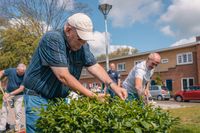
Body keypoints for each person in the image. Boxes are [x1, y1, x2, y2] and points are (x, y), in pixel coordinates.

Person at [23, 13, 127, 133]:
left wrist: (113, 86)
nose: (82, 43)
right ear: (68, 30)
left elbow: (94, 66)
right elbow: (63, 76)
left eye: (85, 40)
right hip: (38, 97)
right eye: (80, 39)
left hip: (59, 98)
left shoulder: (82, 46)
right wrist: (93, 97)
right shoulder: (53, 39)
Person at [0, 63, 26, 132]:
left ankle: (17, 128)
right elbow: (2, 72)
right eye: (20, 72)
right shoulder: (11, 70)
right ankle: (2, 127)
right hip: (8, 92)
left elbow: (21, 89)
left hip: (19, 95)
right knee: (4, 110)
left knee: (18, 111)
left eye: (23, 73)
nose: (21, 74)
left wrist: (9, 94)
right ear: (17, 70)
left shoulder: (26, 75)